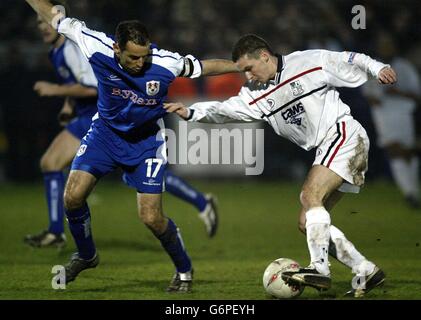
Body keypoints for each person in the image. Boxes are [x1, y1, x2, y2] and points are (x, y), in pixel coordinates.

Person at [25, 0, 237, 292]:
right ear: (117, 49)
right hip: (105, 135)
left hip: (147, 141)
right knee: (72, 197)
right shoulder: (95, 44)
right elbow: (53, 16)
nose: (141, 63)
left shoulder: (165, 62)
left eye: (145, 56)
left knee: (150, 217)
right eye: (134, 58)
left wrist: (241, 66)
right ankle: (87, 255)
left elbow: (204, 67)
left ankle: (184, 269)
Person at [164, 34, 397, 297]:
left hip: (344, 135)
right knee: (306, 221)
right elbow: (226, 110)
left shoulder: (307, 62)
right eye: (243, 72)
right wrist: (191, 112)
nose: (248, 77)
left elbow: (349, 58)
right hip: (327, 149)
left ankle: (320, 269)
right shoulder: (255, 93)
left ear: (264, 56)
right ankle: (365, 269)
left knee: (310, 195)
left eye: (249, 69)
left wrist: (379, 68)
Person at [364, 33, 420, 209]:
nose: (385, 47)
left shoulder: (404, 67)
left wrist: (397, 93)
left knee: (407, 153)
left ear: (394, 46)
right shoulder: (373, 66)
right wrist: (373, 99)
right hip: (383, 116)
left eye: (388, 44)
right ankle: (410, 193)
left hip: (404, 114)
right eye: (382, 44)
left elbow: (416, 94)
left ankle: (412, 189)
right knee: (394, 150)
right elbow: (368, 93)